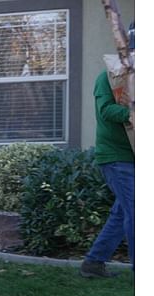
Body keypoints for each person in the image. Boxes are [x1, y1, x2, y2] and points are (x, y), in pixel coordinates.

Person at [80, 22, 134, 279]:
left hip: (135, 157)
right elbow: (106, 111)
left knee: (122, 212)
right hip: (115, 157)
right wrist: (134, 113)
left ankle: (93, 263)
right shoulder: (108, 78)